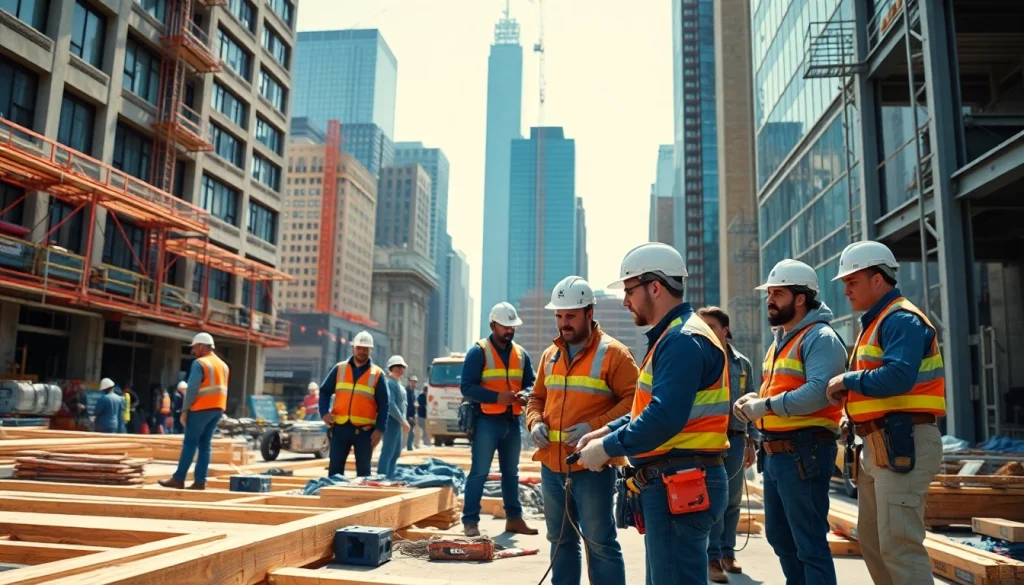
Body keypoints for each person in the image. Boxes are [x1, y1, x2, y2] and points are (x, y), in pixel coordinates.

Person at [575, 242, 730, 585]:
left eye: (630, 290)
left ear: (655, 287)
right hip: (676, 479)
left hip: (681, 480)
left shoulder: (681, 340)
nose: (626, 300)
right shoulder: (673, 337)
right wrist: (605, 432)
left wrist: (608, 448)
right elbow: (647, 408)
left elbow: (663, 418)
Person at [825, 241, 945, 585]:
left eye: (853, 281)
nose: (846, 290)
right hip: (882, 442)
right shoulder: (877, 322)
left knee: (900, 546)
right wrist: (853, 414)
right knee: (876, 541)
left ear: (878, 279)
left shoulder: (900, 319)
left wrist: (848, 380)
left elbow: (899, 376)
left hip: (903, 441)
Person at [733, 259, 848, 585]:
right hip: (779, 455)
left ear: (801, 298)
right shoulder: (781, 340)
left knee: (809, 542)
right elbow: (784, 388)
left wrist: (763, 406)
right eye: (769, 293)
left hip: (805, 450)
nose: (770, 300)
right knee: (780, 538)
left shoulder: (819, 337)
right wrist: (754, 399)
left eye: (778, 293)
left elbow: (818, 393)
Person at [526, 276, 636, 585]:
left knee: (599, 542)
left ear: (589, 313)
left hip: (593, 465)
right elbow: (536, 397)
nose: (564, 323)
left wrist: (595, 427)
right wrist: (535, 422)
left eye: (571, 315)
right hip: (552, 465)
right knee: (560, 541)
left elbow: (635, 402)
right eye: (559, 316)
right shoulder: (551, 355)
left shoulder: (615, 354)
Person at [460, 301, 539, 538]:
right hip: (486, 420)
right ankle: (470, 521)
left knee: (511, 473)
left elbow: (531, 382)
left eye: (512, 326)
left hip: (511, 421)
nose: (510, 330)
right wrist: (498, 396)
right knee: (479, 472)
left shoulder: (521, 354)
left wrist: (525, 394)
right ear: (493, 325)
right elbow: (466, 388)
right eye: (505, 326)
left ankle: (514, 519)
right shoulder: (479, 351)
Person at [697, 306, 757, 582]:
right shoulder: (696, 359)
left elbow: (751, 400)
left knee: (732, 499)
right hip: (705, 438)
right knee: (712, 500)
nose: (707, 330)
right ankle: (710, 558)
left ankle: (727, 552)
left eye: (712, 325)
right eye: (702, 325)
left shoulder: (741, 364)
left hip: (734, 438)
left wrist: (751, 441)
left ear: (725, 330)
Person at [158, 332, 229, 490]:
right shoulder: (223, 365)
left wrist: (185, 410)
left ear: (202, 346)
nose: (193, 352)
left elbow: (191, 390)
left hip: (201, 408)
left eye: (195, 348)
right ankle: (200, 481)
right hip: (218, 408)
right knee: (205, 445)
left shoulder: (200, 363)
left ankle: (178, 479)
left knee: (190, 443)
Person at [319, 331, 389, 477]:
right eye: (359, 348)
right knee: (335, 470)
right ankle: (333, 498)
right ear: (353, 348)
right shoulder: (340, 369)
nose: (362, 351)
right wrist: (324, 412)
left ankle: (362, 499)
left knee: (364, 472)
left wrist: (380, 429)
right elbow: (324, 391)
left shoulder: (377, 374)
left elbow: (384, 404)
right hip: (340, 429)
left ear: (370, 350)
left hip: (365, 433)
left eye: (366, 348)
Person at [378, 355, 410, 477]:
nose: (401, 369)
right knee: (388, 451)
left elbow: (403, 405)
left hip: (398, 423)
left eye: (402, 367)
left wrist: (403, 420)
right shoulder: (390, 383)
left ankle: (389, 476)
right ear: (392, 368)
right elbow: (390, 404)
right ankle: (381, 476)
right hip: (391, 422)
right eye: (398, 367)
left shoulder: (399, 385)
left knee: (396, 452)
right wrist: (402, 420)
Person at [404, 375, 417, 450]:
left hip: (412, 414)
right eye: (412, 382)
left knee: (411, 431)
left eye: (415, 382)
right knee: (409, 432)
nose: (414, 384)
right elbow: (407, 404)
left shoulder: (412, 391)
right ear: (409, 382)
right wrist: (409, 416)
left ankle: (409, 446)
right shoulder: (407, 391)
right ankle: (407, 446)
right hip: (408, 414)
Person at [416, 379, 430, 447]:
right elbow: (421, 406)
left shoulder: (426, 396)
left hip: (425, 416)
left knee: (425, 429)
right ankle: (425, 441)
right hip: (422, 415)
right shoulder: (422, 396)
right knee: (424, 429)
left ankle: (426, 441)